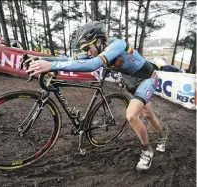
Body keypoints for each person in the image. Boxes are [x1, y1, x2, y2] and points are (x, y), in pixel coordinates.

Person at [25, 21, 168, 172]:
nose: (87, 52)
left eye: (87, 47)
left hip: (147, 79)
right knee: (148, 113)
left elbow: (93, 64)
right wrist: (40, 59)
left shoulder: (117, 44)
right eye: (84, 49)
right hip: (131, 83)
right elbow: (69, 59)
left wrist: (52, 66)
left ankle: (147, 150)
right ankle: (162, 134)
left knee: (132, 115)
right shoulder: (98, 49)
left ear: (99, 40)